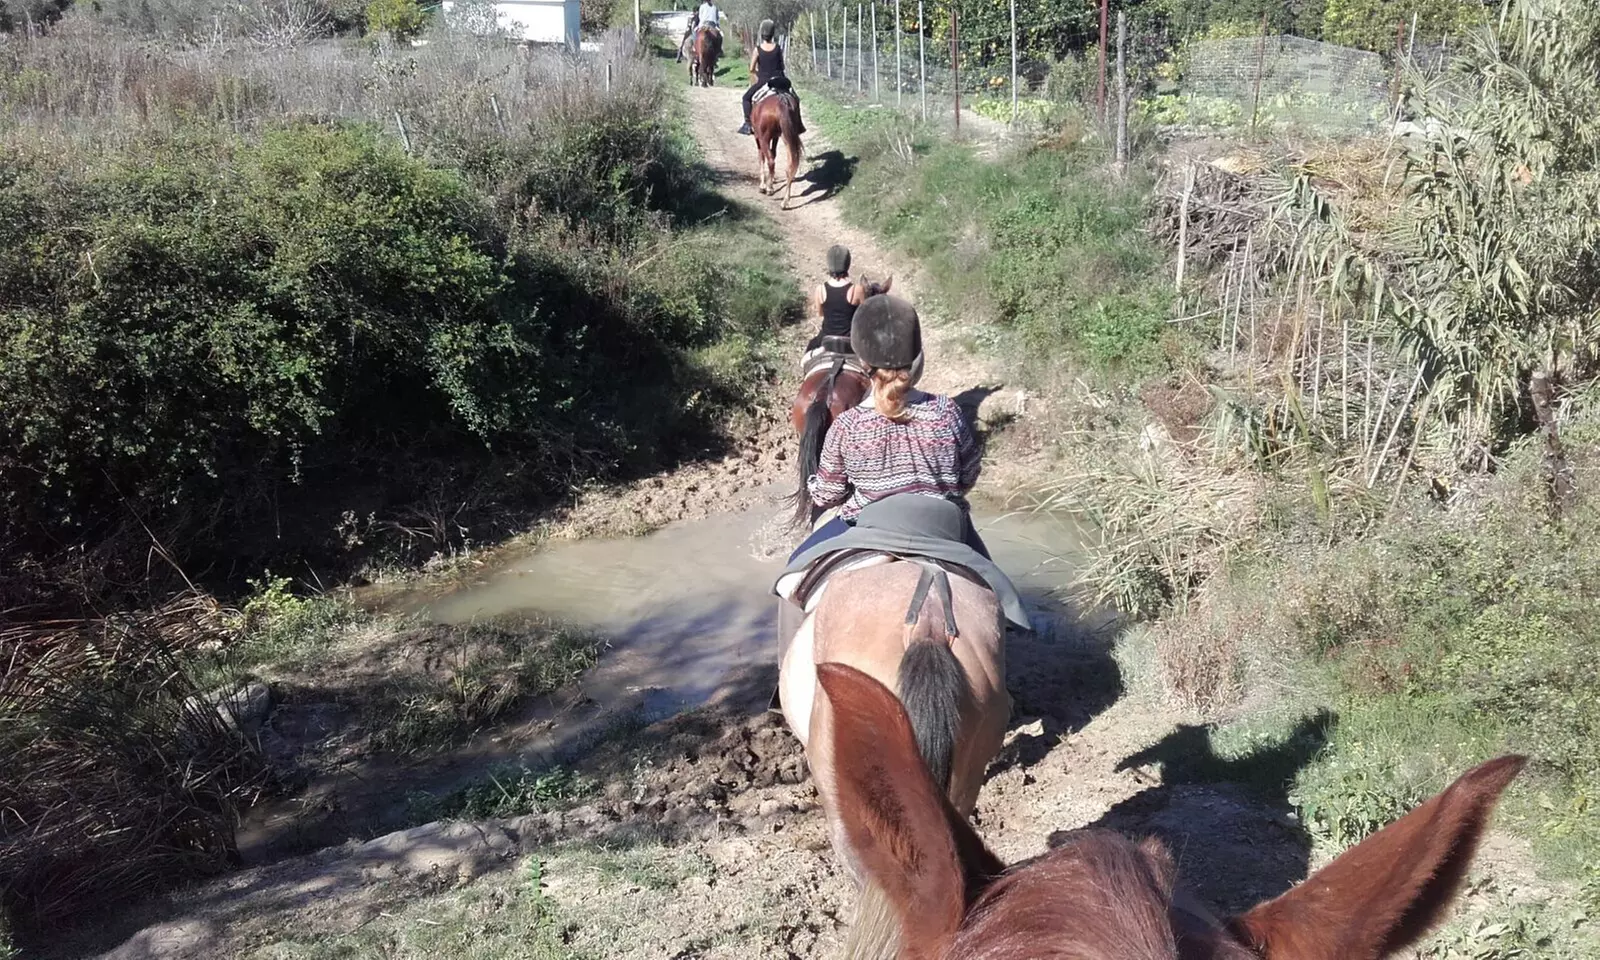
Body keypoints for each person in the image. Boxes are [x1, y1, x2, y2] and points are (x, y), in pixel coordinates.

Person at [795, 294, 990, 560]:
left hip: (869, 527)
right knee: (1003, 594)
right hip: (945, 527)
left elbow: (828, 496)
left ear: (862, 361)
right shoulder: (947, 411)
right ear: (915, 354)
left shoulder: (847, 426)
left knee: (794, 569)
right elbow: (969, 474)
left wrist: (814, 483)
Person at [738, 19, 805, 136]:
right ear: (773, 33)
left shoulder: (757, 49)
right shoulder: (778, 48)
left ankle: (748, 124)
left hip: (764, 81)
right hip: (780, 80)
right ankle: (798, 125)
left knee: (746, 98)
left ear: (762, 34)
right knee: (796, 99)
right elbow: (782, 66)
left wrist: (758, 73)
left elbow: (751, 68)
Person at [806, 245, 862, 353]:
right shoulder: (857, 290)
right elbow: (863, 316)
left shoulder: (820, 289)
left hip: (826, 339)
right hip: (851, 341)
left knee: (805, 361)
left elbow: (821, 313)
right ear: (847, 264)